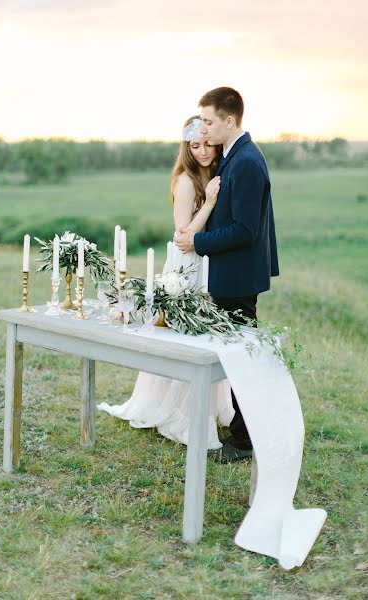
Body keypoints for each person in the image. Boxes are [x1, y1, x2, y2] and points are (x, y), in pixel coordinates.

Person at [97, 116, 234, 450]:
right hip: (187, 265)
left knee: (206, 333)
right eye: (195, 146)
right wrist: (212, 202)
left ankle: (212, 405)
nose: (203, 151)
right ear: (186, 147)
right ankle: (180, 412)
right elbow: (185, 234)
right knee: (184, 335)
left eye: (206, 143)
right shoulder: (187, 180)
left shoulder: (211, 173)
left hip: (207, 262)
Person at [175, 87, 279, 462]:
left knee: (242, 362)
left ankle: (244, 441)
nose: (202, 128)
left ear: (229, 120)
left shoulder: (247, 161)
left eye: (207, 120)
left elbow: (245, 230)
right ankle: (243, 429)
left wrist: (199, 242)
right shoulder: (233, 157)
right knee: (237, 358)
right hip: (230, 274)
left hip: (237, 278)